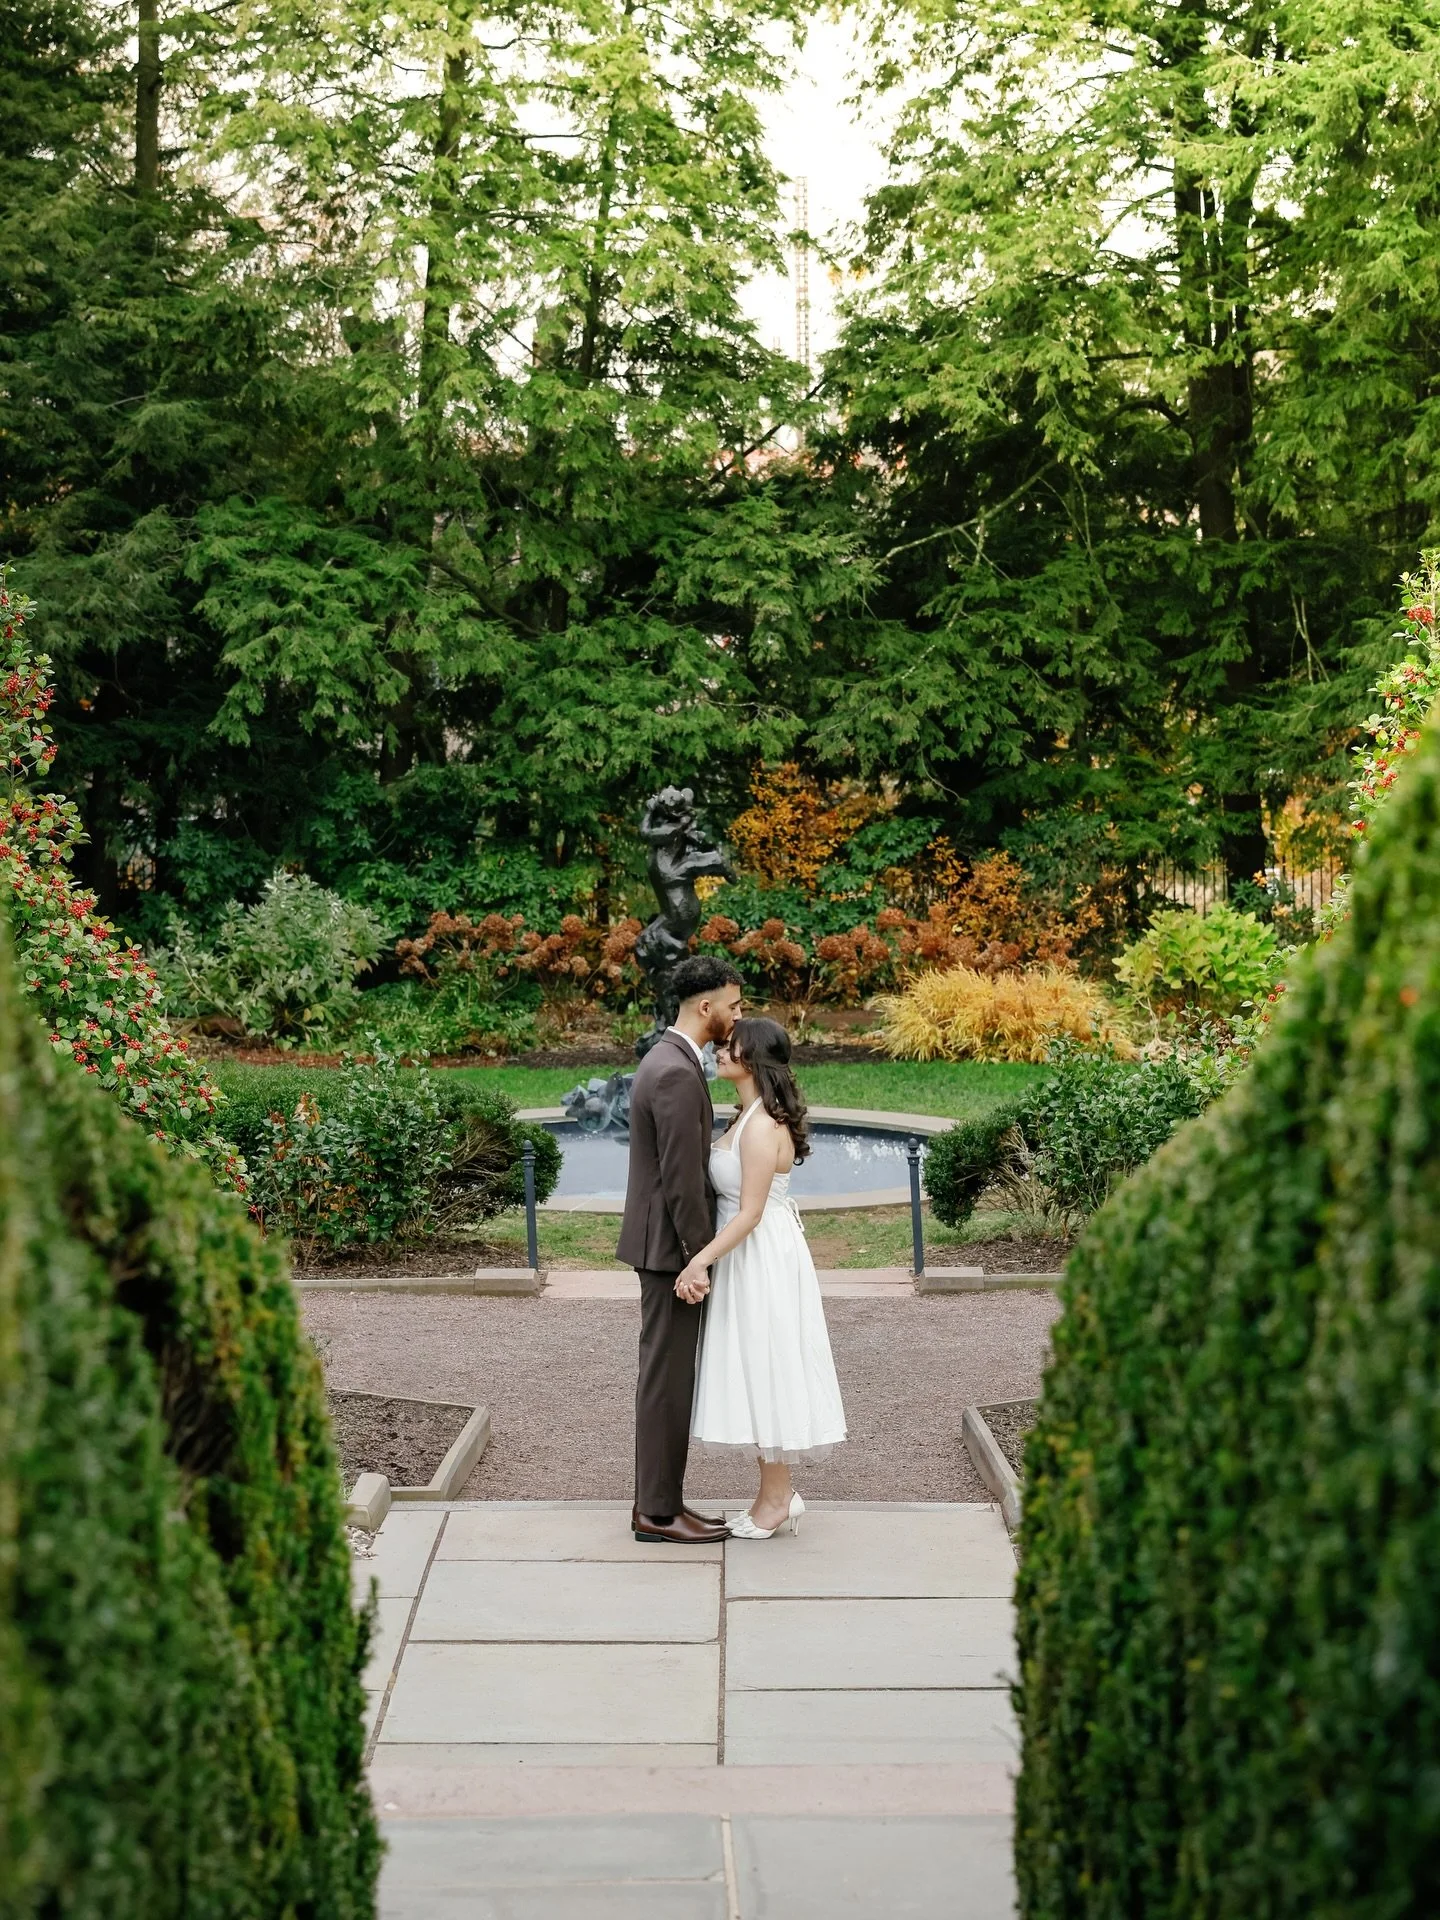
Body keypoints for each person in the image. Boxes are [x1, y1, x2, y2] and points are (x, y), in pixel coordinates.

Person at [682, 1017, 847, 1539]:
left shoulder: (759, 1127)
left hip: (760, 1255)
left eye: (731, 1047)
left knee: (764, 1365)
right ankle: (775, 1495)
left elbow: (749, 1213)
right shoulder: (748, 1116)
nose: (720, 1051)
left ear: (754, 1057)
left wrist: (698, 1260)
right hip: (750, 1253)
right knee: (755, 1366)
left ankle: (777, 1499)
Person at [617, 954, 744, 1543]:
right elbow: (678, 1180)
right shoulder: (672, 1070)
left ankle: (661, 1505)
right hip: (671, 1252)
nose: (736, 1016)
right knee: (667, 1382)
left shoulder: (672, 1061)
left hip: (669, 1250)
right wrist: (701, 1256)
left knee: (667, 1379)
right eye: (733, 1006)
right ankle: (658, 1514)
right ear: (705, 1007)